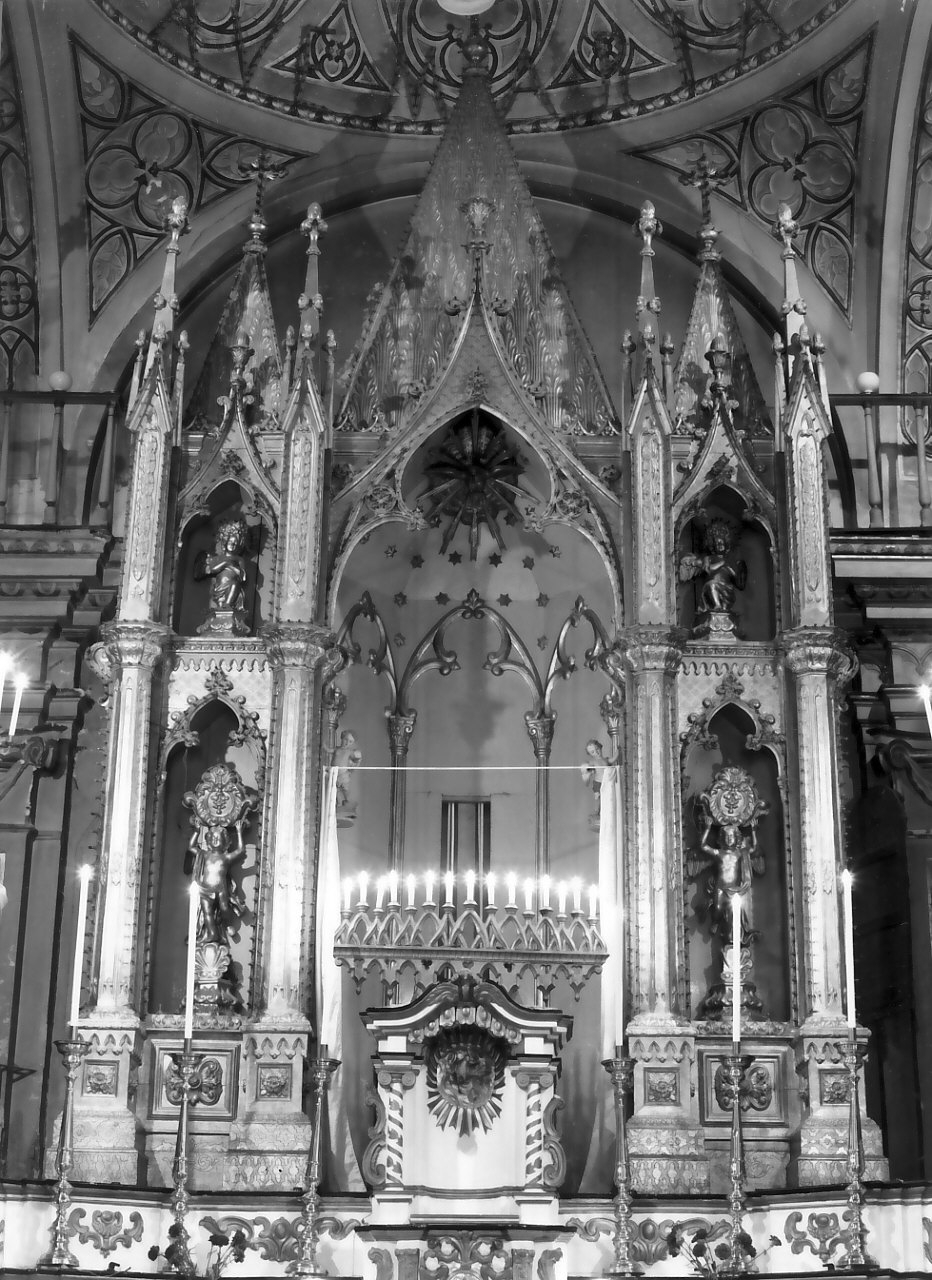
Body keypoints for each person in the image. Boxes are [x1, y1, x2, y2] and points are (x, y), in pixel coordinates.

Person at [679, 518, 747, 615]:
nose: (719, 545)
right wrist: (722, 563)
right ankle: (717, 606)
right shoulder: (709, 558)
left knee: (719, 592)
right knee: (711, 584)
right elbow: (708, 570)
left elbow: (738, 582)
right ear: (711, 545)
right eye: (717, 543)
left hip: (727, 589)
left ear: (727, 544)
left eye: (722, 543)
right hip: (712, 586)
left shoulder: (730, 562)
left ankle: (723, 609)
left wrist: (740, 571)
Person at [194, 518, 249, 633]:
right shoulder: (218, 559)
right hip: (219, 587)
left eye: (235, 543)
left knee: (234, 585)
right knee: (219, 605)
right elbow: (212, 570)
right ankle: (223, 609)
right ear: (225, 542)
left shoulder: (239, 559)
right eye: (230, 542)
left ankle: (228, 606)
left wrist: (232, 567)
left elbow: (242, 576)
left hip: (233, 586)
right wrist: (225, 563)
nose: (232, 545)